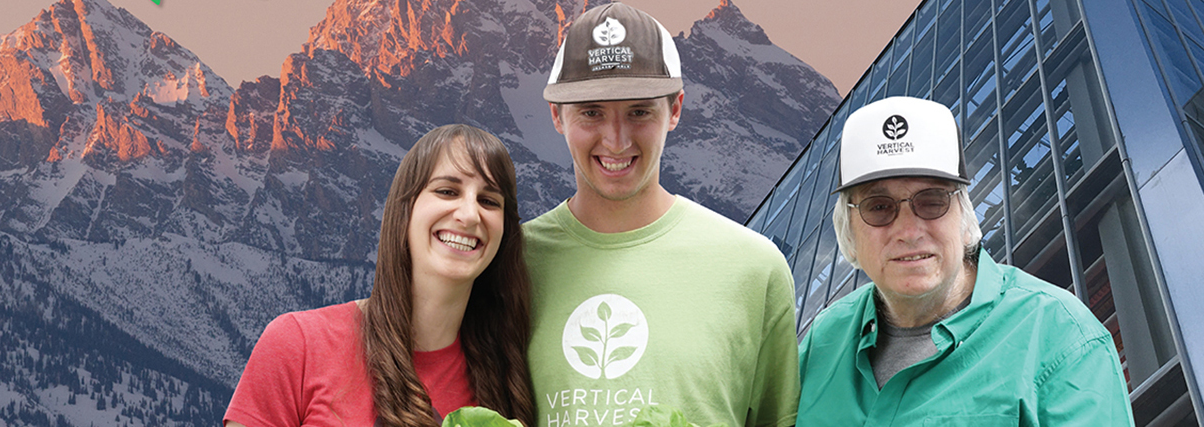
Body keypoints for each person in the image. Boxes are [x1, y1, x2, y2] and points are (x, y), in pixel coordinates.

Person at [523, 3, 799, 427]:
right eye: (591, 111)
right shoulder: (510, 264)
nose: (616, 140)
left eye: (639, 112)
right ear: (557, 115)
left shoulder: (754, 269)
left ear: (675, 109)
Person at [795, 96, 1134, 425]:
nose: (908, 231)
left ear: (964, 216)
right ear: (848, 231)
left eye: (931, 201)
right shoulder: (822, 341)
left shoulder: (1059, 334)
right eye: (879, 207)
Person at [224, 124, 536, 427]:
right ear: (405, 210)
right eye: (447, 191)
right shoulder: (297, 344)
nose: (469, 214)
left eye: (489, 201)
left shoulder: (509, 377)